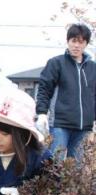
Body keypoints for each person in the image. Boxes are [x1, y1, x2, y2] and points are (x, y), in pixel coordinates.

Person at [36, 23, 96, 162]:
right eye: (73, 41)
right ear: (68, 41)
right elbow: (44, 89)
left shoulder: (93, 68)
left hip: (84, 128)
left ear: (86, 44)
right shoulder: (56, 63)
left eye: (81, 42)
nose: (76, 45)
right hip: (60, 124)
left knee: (76, 170)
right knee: (55, 166)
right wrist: (42, 113)